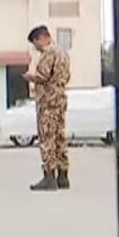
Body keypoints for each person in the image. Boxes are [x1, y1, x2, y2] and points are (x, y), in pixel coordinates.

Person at [22, 25, 71, 191]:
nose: (36, 46)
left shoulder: (48, 53)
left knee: (47, 137)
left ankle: (49, 176)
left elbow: (42, 76)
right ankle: (63, 175)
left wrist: (30, 77)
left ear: (42, 38)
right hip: (60, 98)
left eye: (35, 42)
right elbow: (66, 76)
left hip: (48, 100)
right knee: (59, 136)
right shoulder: (63, 53)